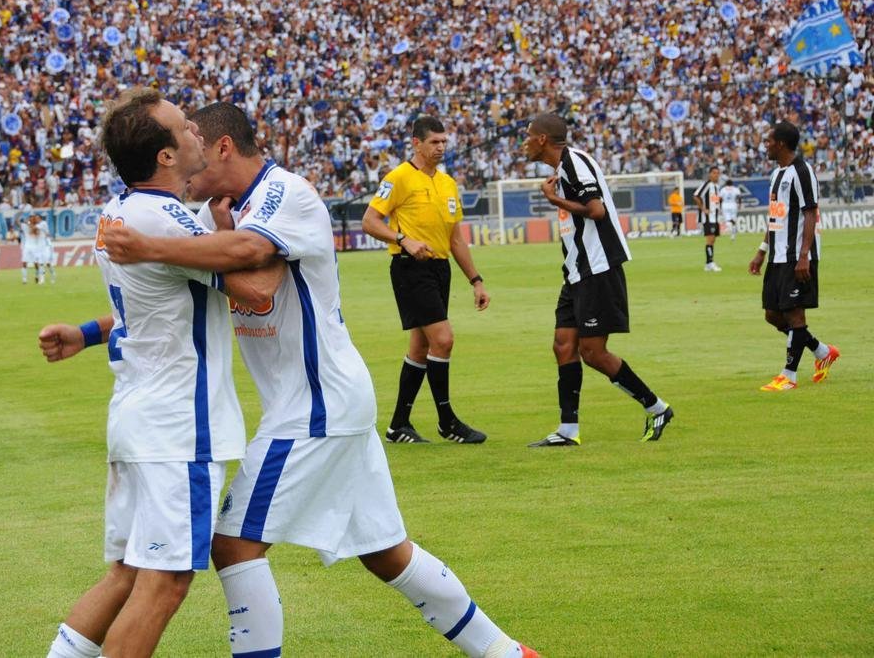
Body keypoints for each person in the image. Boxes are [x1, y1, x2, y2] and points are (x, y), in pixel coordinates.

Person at [105, 102, 537, 658]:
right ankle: (505, 652)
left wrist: (149, 247)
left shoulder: (285, 193)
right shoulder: (231, 209)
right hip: (324, 400)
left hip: (315, 404)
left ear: (222, 148)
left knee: (233, 545)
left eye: (196, 147)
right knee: (387, 552)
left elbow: (251, 258)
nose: (189, 173)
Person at [39, 89, 276, 658]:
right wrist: (266, 241)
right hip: (178, 428)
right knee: (164, 583)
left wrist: (85, 333)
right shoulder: (166, 222)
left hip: (138, 417)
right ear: (165, 156)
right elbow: (257, 293)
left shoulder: (124, 212)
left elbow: (145, 312)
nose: (196, 130)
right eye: (183, 127)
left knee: (125, 575)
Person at [521, 113, 673, 447]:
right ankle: (567, 430)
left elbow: (596, 210)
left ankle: (656, 407)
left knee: (592, 351)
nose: (525, 142)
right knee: (563, 345)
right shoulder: (562, 169)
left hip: (598, 268)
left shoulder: (575, 163)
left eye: (528, 135)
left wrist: (555, 200)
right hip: (576, 271)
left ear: (543, 139)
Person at [360, 116, 490, 445]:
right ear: (416, 143)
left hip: (439, 269)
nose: (441, 147)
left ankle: (398, 425)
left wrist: (475, 280)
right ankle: (447, 421)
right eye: (434, 142)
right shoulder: (399, 177)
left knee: (420, 348)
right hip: (409, 268)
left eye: (444, 141)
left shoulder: (447, 184)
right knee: (443, 340)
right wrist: (403, 239)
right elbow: (370, 221)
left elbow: (456, 239)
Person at [747, 120, 840, 391]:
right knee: (773, 315)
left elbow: (811, 212)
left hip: (795, 256)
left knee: (795, 316)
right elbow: (776, 217)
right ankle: (822, 352)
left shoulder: (802, 171)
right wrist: (761, 251)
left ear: (782, 144)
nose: (765, 145)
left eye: (769, 141)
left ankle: (789, 375)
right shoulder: (777, 174)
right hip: (776, 255)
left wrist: (804, 256)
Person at [694, 167, 723, 271]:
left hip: (715, 218)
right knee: (710, 240)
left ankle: (708, 263)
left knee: (713, 240)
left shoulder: (717, 187)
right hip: (708, 218)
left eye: (718, 173)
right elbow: (696, 196)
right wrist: (703, 209)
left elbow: (716, 201)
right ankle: (710, 262)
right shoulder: (707, 185)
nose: (716, 175)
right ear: (710, 174)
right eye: (714, 173)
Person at [21, 213, 47, 284]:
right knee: (24, 262)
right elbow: (18, 223)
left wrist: (29, 224)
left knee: (37, 263)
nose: (32, 219)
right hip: (27, 247)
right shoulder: (26, 226)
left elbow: (35, 232)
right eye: (31, 218)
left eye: (33, 218)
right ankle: (24, 280)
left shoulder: (39, 225)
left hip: (36, 247)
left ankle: (38, 276)